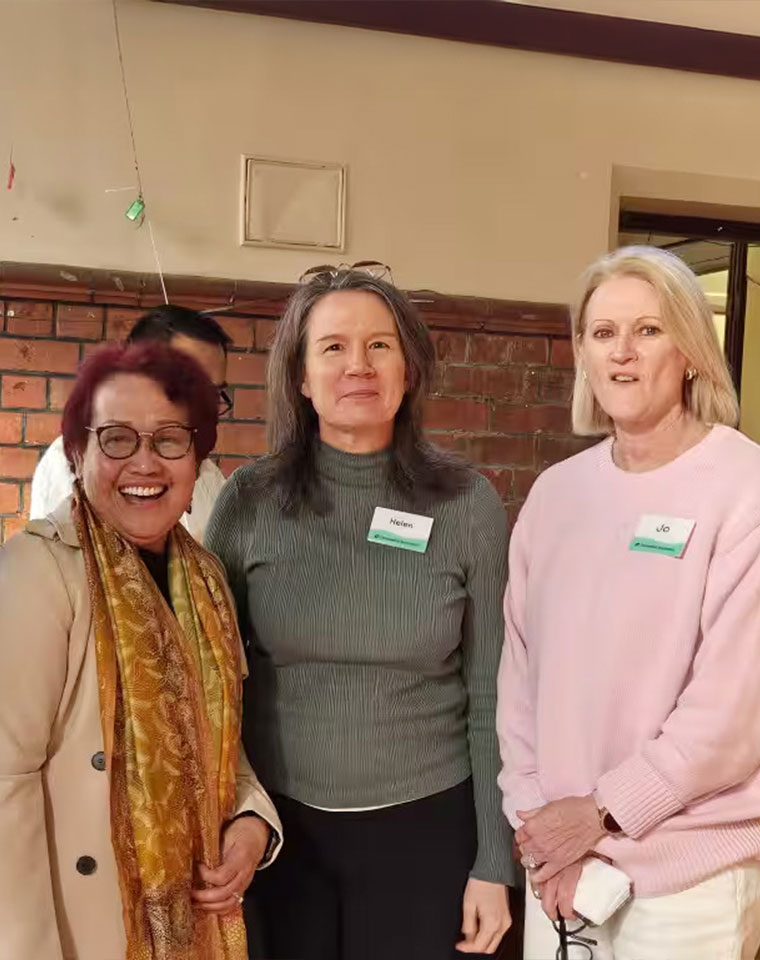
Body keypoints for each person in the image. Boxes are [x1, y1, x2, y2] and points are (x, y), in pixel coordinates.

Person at [497, 246, 760, 960]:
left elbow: (733, 712)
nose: (623, 355)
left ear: (692, 350)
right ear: (582, 353)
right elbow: (520, 682)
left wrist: (600, 813)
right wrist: (541, 822)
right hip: (560, 868)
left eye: (648, 331)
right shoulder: (556, 496)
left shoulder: (749, 486)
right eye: (603, 334)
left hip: (685, 877)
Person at [205, 265, 516, 959]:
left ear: (410, 369)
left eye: (380, 345)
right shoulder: (248, 501)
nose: (359, 366)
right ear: (302, 378)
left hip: (427, 828)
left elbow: (493, 692)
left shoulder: (467, 504)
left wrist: (495, 863)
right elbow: (207, 680)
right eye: (333, 347)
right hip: (280, 832)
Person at [0, 341, 282, 960]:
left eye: (169, 439)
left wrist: (252, 824)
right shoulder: (37, 569)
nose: (145, 463)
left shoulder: (207, 579)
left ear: (198, 458)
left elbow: (223, 746)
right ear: (77, 453)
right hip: (72, 930)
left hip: (194, 921)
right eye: (117, 438)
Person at [29, 304, 233, 540]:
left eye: (213, 394)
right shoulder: (74, 462)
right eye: (187, 389)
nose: (202, 409)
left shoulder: (210, 479)